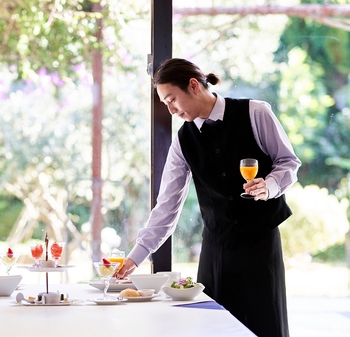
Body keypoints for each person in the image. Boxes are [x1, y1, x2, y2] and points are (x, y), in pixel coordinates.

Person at [115, 58, 301, 337]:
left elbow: (288, 162)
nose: (170, 109)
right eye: (165, 103)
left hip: (259, 247)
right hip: (216, 251)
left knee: (266, 326)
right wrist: (136, 257)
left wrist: (270, 186)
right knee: (214, 329)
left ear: (193, 85)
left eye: (172, 99)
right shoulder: (183, 140)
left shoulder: (256, 113)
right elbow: (167, 205)